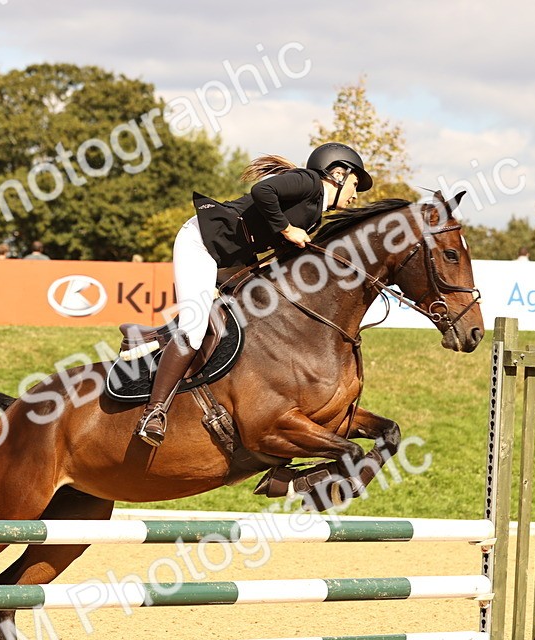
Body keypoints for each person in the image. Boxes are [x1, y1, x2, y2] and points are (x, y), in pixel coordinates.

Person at [136, 142, 372, 447]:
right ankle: (153, 413)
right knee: (194, 330)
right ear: (337, 175)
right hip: (202, 243)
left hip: (233, 258)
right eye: (355, 184)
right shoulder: (308, 182)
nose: (355, 195)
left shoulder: (314, 214)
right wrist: (287, 230)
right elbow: (263, 192)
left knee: (254, 322)